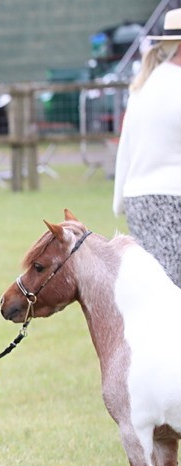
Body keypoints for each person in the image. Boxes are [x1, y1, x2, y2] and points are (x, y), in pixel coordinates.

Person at [113, 8, 181, 287]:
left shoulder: (145, 85)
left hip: (138, 201)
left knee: (160, 293)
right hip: (172, 199)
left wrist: (119, 201)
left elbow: (125, 150)